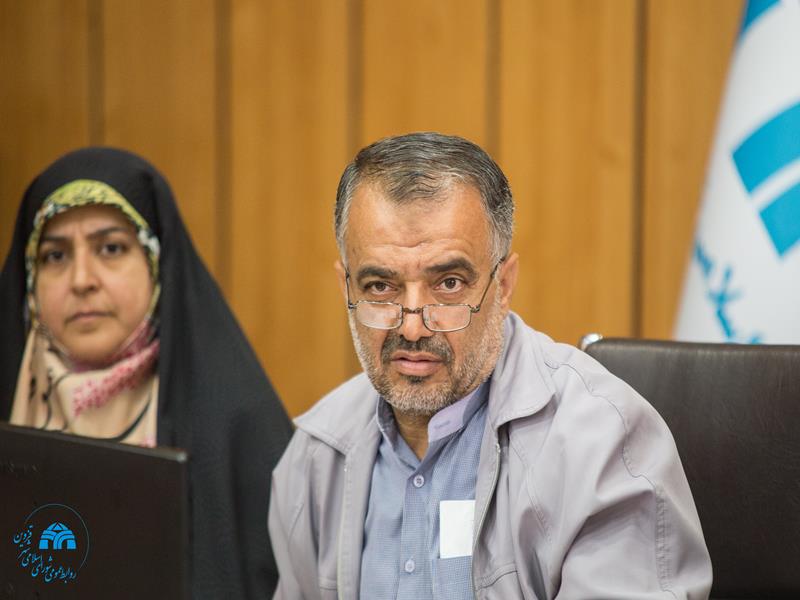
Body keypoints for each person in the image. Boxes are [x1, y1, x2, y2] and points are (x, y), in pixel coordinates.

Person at [268, 132, 712, 599]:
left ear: (503, 286)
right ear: (347, 290)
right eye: (380, 287)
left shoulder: (602, 445)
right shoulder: (316, 456)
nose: (413, 327)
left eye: (449, 284)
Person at [0, 147, 293, 599]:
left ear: (157, 264)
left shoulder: (236, 423)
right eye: (54, 256)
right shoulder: (9, 394)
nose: (81, 279)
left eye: (111, 248)